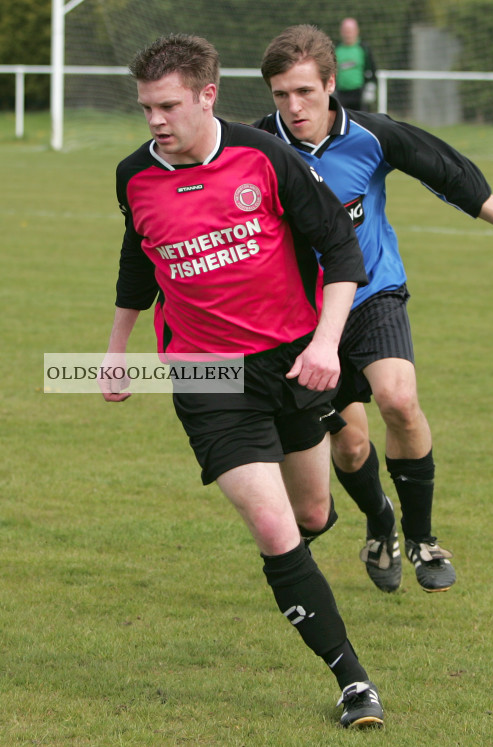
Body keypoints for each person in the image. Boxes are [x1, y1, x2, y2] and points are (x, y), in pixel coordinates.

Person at [101, 33, 384, 729]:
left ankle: (380, 517)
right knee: (271, 521)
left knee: (313, 513)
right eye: (146, 109)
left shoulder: (266, 157)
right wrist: (116, 349)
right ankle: (353, 681)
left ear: (207, 95)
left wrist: (323, 343)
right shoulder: (132, 175)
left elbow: (342, 252)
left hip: (291, 360)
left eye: (168, 105)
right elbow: (140, 260)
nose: (156, 121)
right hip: (206, 373)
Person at [254, 25, 493, 594]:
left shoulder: (372, 135)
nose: (294, 106)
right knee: (352, 443)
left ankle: (424, 538)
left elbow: (450, 174)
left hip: (373, 294)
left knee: (400, 400)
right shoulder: (256, 146)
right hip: (303, 319)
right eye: (282, 94)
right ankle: (381, 524)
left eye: (305, 91)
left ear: (331, 85)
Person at [334, 18, 377, 111]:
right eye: (345, 31)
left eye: (350, 31)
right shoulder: (336, 49)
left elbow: (371, 69)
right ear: (341, 32)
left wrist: (370, 87)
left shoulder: (363, 49)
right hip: (341, 95)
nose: (348, 34)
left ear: (357, 31)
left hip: (359, 94)